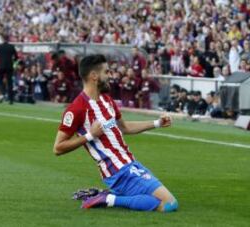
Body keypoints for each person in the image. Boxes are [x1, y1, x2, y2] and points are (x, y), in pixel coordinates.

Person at [53, 54, 178, 212]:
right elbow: (58, 148)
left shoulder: (107, 100)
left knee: (159, 200)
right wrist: (90, 135)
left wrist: (157, 123)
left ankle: (107, 196)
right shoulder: (77, 108)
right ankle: (108, 199)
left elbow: (124, 128)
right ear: (94, 76)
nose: (110, 76)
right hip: (118, 171)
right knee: (169, 204)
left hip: (130, 163)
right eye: (107, 72)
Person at [0, 34, 18, 104]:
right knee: (10, 83)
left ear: (3, 39)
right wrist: (12, 61)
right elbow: (16, 57)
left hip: (1, 66)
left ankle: (4, 93)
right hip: (9, 67)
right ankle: (11, 99)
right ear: (8, 39)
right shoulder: (11, 47)